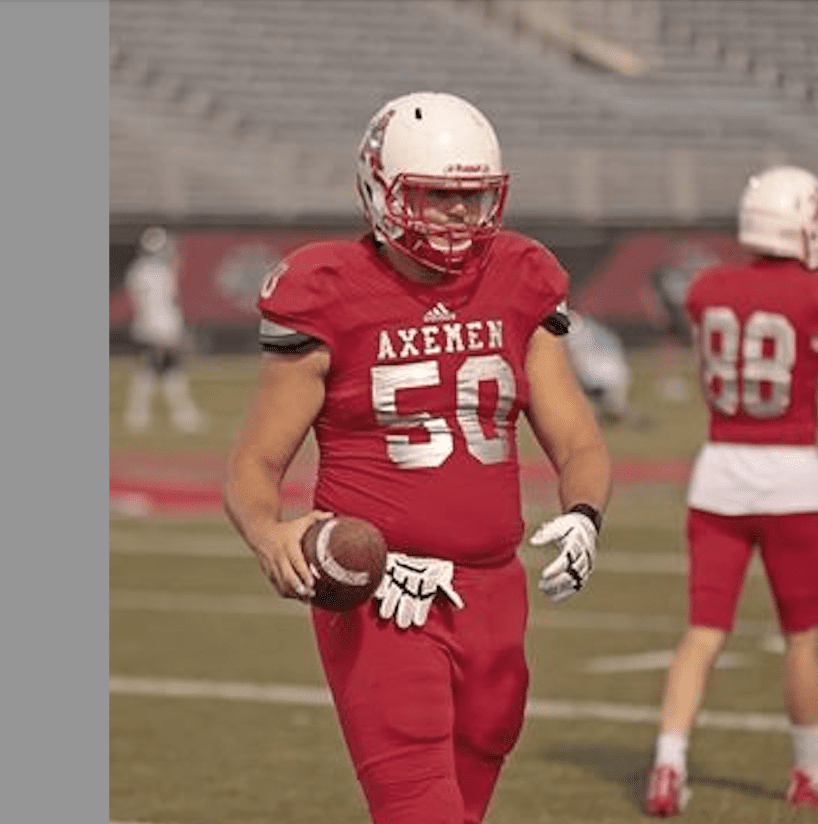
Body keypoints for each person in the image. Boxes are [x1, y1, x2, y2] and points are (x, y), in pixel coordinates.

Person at [223, 91, 612, 824]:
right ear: (382, 188)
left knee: (472, 787)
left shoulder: (521, 275)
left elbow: (580, 441)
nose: (462, 216)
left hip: (496, 589)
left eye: (474, 197)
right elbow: (253, 464)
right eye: (440, 196)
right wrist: (269, 532)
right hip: (384, 589)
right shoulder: (329, 288)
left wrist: (585, 513)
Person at [642, 165, 818, 816]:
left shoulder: (709, 289)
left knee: (703, 631)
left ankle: (668, 765)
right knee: (800, 637)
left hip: (719, 474)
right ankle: (809, 771)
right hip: (789, 475)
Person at [122, 225, 206, 434]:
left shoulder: (140, 270)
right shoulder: (155, 272)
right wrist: (167, 332)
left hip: (151, 325)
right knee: (156, 369)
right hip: (158, 327)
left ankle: (178, 414)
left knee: (166, 371)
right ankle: (142, 415)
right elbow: (160, 303)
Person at [563, 310, 633, 424]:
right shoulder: (594, 327)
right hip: (620, 378)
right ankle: (614, 410)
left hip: (593, 380)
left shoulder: (569, 333)